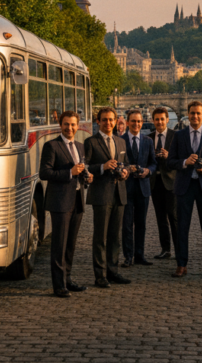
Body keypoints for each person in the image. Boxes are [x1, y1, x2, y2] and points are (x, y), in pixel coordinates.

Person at [39, 111, 92, 297]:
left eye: (73, 125)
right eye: (66, 124)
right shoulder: (51, 146)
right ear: (60, 125)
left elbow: (81, 170)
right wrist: (70, 173)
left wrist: (87, 177)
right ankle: (58, 285)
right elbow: (44, 173)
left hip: (77, 199)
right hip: (60, 202)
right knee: (59, 245)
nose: (70, 128)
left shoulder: (79, 146)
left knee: (70, 244)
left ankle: (68, 279)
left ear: (78, 126)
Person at [169, 100, 202, 279]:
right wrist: (185, 162)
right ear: (188, 114)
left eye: (198, 113)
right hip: (185, 186)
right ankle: (181, 264)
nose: (195, 116)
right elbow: (171, 162)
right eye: (192, 113)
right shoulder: (179, 135)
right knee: (181, 228)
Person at [84, 107, 131, 288]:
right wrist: (103, 167)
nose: (109, 123)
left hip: (119, 193)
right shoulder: (91, 142)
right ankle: (100, 275)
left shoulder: (120, 141)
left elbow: (125, 162)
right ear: (98, 122)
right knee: (100, 237)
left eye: (111, 120)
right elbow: (86, 166)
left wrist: (125, 171)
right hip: (101, 194)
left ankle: (113, 271)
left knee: (114, 237)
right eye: (105, 120)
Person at [121, 109, 156, 267]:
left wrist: (148, 171)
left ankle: (139, 255)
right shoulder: (120, 140)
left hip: (143, 187)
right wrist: (127, 168)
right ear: (127, 123)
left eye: (139, 122)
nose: (136, 124)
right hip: (126, 187)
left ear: (142, 123)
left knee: (141, 223)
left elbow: (153, 163)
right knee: (127, 223)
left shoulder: (148, 141)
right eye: (133, 121)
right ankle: (128, 256)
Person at [148, 107, 178, 260]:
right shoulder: (148, 138)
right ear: (153, 121)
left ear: (167, 120)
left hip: (171, 182)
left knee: (174, 217)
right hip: (155, 183)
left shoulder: (176, 136)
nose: (159, 122)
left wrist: (169, 156)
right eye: (157, 119)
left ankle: (179, 249)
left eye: (162, 119)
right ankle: (165, 249)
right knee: (161, 218)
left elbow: (181, 161)